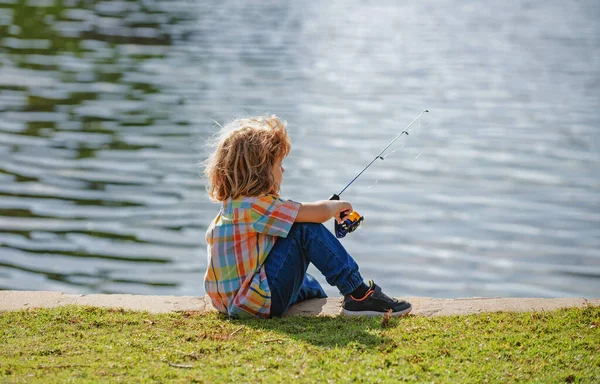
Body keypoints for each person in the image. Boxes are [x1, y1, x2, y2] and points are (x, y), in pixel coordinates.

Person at [202, 115, 412, 318]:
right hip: (256, 302)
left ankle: (319, 299)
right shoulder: (258, 207)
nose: (283, 169)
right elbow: (316, 215)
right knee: (304, 229)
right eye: (278, 164)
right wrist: (336, 206)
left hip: (227, 302)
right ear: (260, 171)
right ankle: (358, 293)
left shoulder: (232, 207)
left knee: (309, 284)